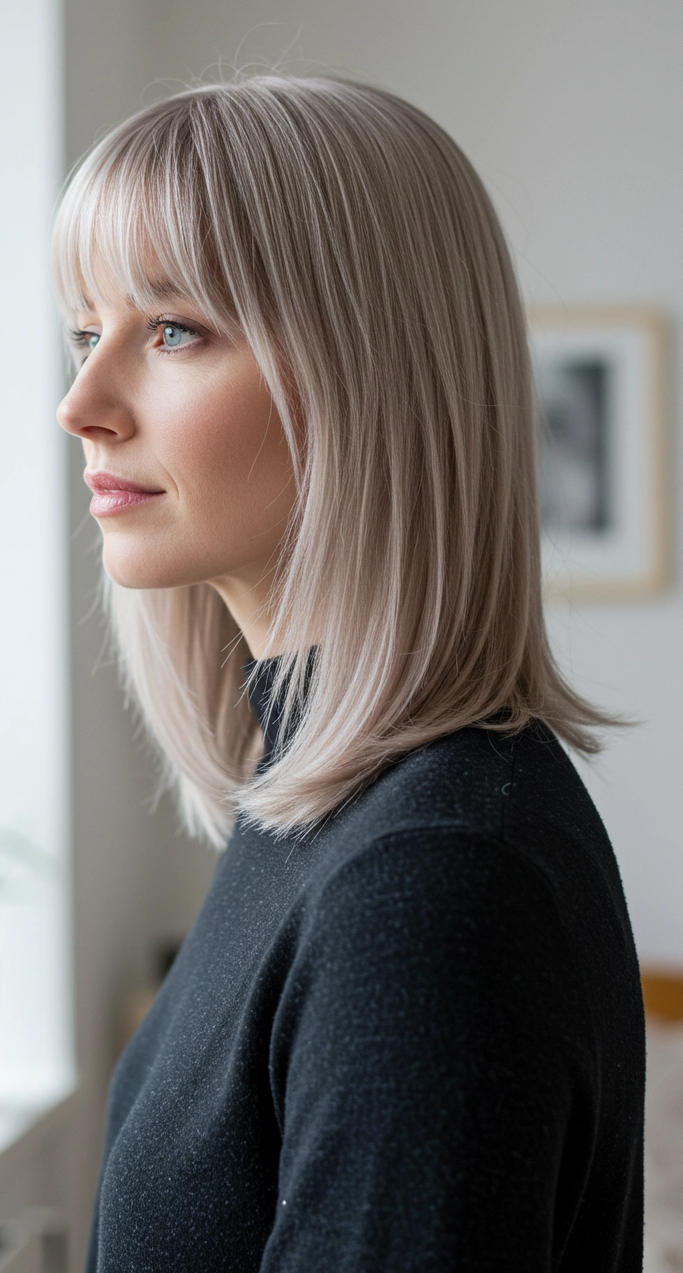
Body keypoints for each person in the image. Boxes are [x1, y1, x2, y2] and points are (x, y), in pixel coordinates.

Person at [54, 76, 644, 1271]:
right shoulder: (330, 809)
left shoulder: (430, 878)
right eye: (85, 331)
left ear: (365, 375)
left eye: (174, 329)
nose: (83, 405)